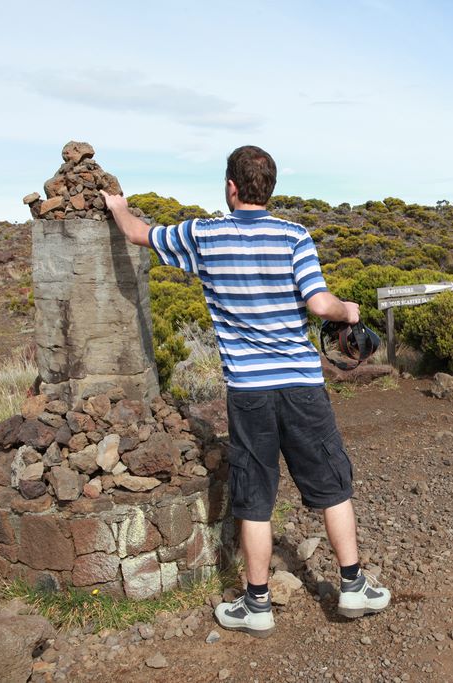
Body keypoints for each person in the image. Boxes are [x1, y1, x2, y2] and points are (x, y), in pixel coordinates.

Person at [101, 145, 390, 637]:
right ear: (269, 189)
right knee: (332, 484)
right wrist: (349, 311)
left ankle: (257, 605)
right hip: (301, 384)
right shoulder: (295, 235)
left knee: (255, 492)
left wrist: (116, 203)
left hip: (248, 390)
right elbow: (319, 303)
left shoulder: (203, 236)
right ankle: (352, 585)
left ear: (231, 187)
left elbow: (135, 233)